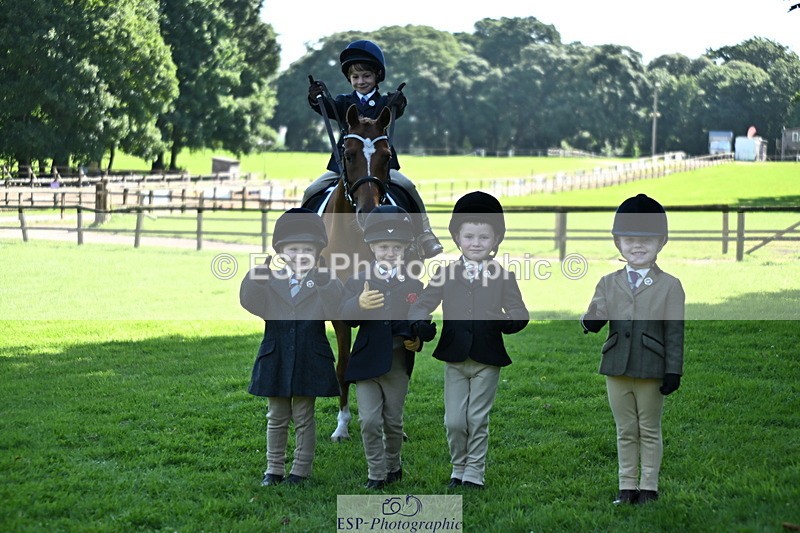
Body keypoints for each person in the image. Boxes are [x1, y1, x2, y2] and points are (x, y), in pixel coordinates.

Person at [408, 191, 529, 489]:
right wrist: (419, 319)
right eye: (469, 236)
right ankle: (457, 467)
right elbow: (423, 302)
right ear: (457, 238)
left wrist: (508, 320)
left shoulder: (503, 275)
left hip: (488, 358)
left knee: (477, 418)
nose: (476, 243)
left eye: (484, 237)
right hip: (455, 357)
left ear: (495, 240)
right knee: (454, 421)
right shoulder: (445, 273)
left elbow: (519, 311)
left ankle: (474, 472)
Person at [580, 193, 685, 505]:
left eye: (647, 240)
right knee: (625, 430)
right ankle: (627, 488)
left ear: (661, 243)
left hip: (652, 368)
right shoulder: (608, 281)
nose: (637, 246)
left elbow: (675, 333)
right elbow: (594, 314)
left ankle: (649, 488)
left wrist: (673, 369)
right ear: (618, 243)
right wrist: (591, 320)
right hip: (616, 367)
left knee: (649, 429)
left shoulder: (670, 285)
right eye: (629, 239)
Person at [306, 39, 443, 259]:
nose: (361, 81)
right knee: (311, 190)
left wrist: (400, 102)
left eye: (366, 76)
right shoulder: (343, 102)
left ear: (377, 76)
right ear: (350, 79)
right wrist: (316, 98)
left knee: (407, 185)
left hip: (379, 165)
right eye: (356, 77)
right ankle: (304, 235)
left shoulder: (385, 101)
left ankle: (425, 234)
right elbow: (327, 109)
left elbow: (396, 111)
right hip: (347, 165)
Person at [239, 208, 343, 487]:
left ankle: (300, 470)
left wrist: (323, 281)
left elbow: (337, 305)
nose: (300, 255)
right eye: (293, 249)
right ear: (281, 252)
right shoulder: (270, 279)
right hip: (277, 357)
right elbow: (250, 302)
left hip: (310, 356)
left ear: (317, 252)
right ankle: (273, 469)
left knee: (304, 416)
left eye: (307, 250)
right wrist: (255, 278)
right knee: (276, 416)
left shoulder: (324, 279)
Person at [339, 205, 430, 490]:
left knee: (393, 421)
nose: (389, 252)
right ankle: (375, 474)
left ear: (405, 249)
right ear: (372, 248)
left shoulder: (414, 284)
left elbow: (421, 320)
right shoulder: (357, 281)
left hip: (397, 363)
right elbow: (345, 316)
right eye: (382, 246)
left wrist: (419, 338)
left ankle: (394, 466)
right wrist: (358, 304)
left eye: (396, 247)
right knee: (368, 421)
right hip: (366, 362)